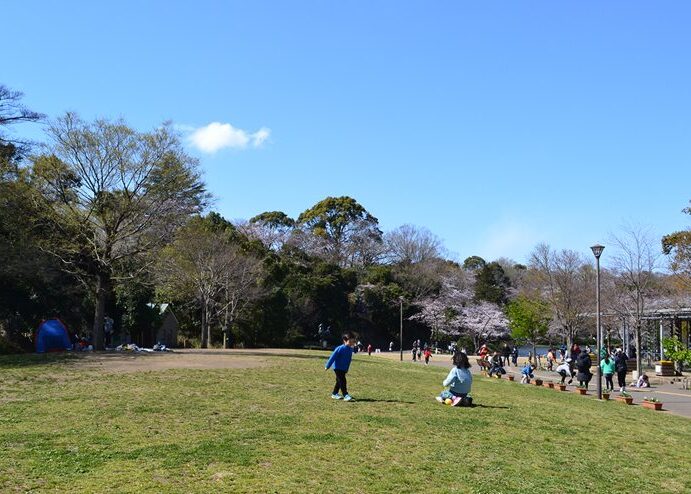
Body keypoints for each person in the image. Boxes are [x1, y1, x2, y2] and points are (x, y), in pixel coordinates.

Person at [325, 332, 357, 401]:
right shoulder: (340, 348)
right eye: (350, 342)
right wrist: (327, 365)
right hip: (337, 367)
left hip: (343, 368)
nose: (352, 343)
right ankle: (345, 395)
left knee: (339, 381)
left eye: (353, 342)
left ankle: (334, 394)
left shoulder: (350, 349)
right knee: (343, 381)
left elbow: (351, 355)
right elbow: (332, 357)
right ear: (345, 340)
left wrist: (346, 368)